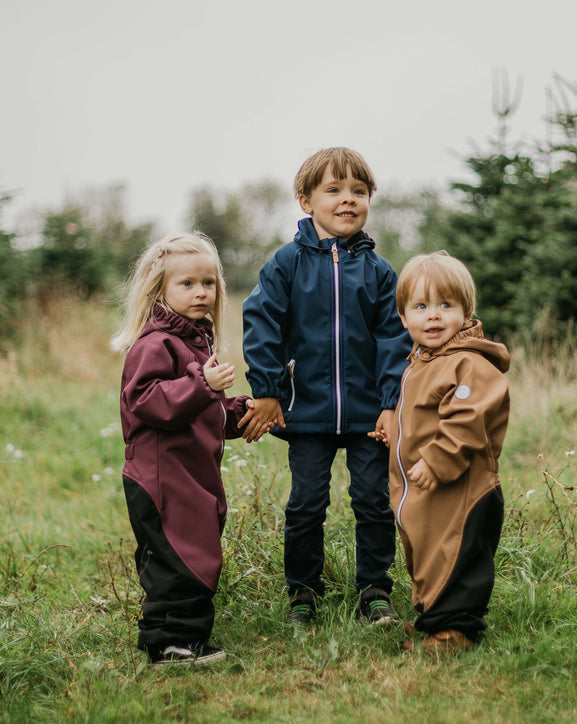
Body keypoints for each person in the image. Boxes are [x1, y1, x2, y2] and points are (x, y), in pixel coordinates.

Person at [241, 147, 412, 624]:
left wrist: (390, 402)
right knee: (306, 503)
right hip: (307, 408)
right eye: (333, 190)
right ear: (305, 201)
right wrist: (269, 389)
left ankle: (375, 591)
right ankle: (302, 593)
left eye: (358, 191)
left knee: (373, 501)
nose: (347, 200)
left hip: (365, 413)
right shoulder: (286, 264)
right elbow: (261, 324)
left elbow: (394, 338)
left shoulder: (379, 272)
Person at [111, 232, 258, 668]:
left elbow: (199, 409)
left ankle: (188, 639)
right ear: (160, 290)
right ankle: (168, 644)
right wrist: (202, 385)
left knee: (198, 551)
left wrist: (238, 411)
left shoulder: (196, 340)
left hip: (192, 475)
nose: (201, 292)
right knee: (175, 559)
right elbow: (146, 401)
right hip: (162, 479)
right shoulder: (155, 343)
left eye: (208, 283)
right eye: (187, 283)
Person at [374, 251, 510, 652]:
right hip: (425, 488)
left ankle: (453, 632)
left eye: (445, 305)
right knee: (429, 553)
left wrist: (437, 459)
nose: (433, 316)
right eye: (420, 306)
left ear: (466, 313)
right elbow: (423, 414)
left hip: (460, 486)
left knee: (456, 555)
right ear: (403, 318)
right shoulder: (421, 361)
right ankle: (434, 619)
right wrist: (393, 431)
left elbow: (468, 418)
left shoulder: (467, 363)